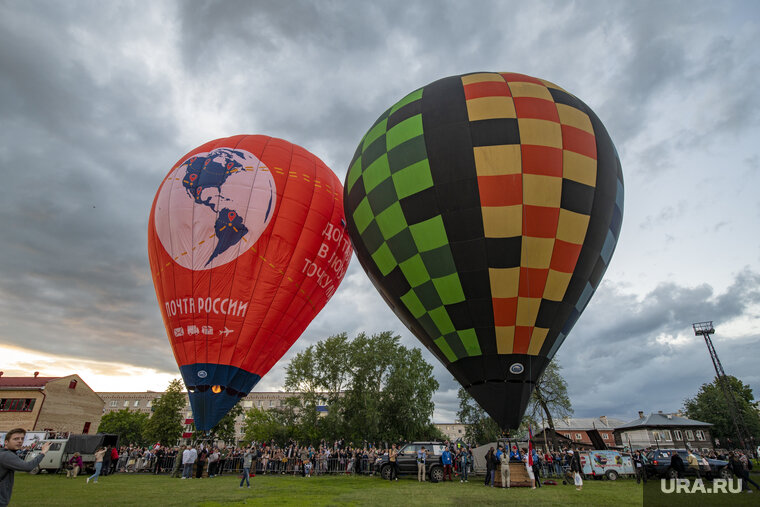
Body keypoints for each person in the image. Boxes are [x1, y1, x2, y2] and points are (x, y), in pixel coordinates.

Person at [1, 429, 51, 506]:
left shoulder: (3, 453)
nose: (20, 441)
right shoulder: (7, 455)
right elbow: (28, 467)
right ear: (6, 442)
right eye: (16, 439)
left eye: (22, 439)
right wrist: (43, 453)